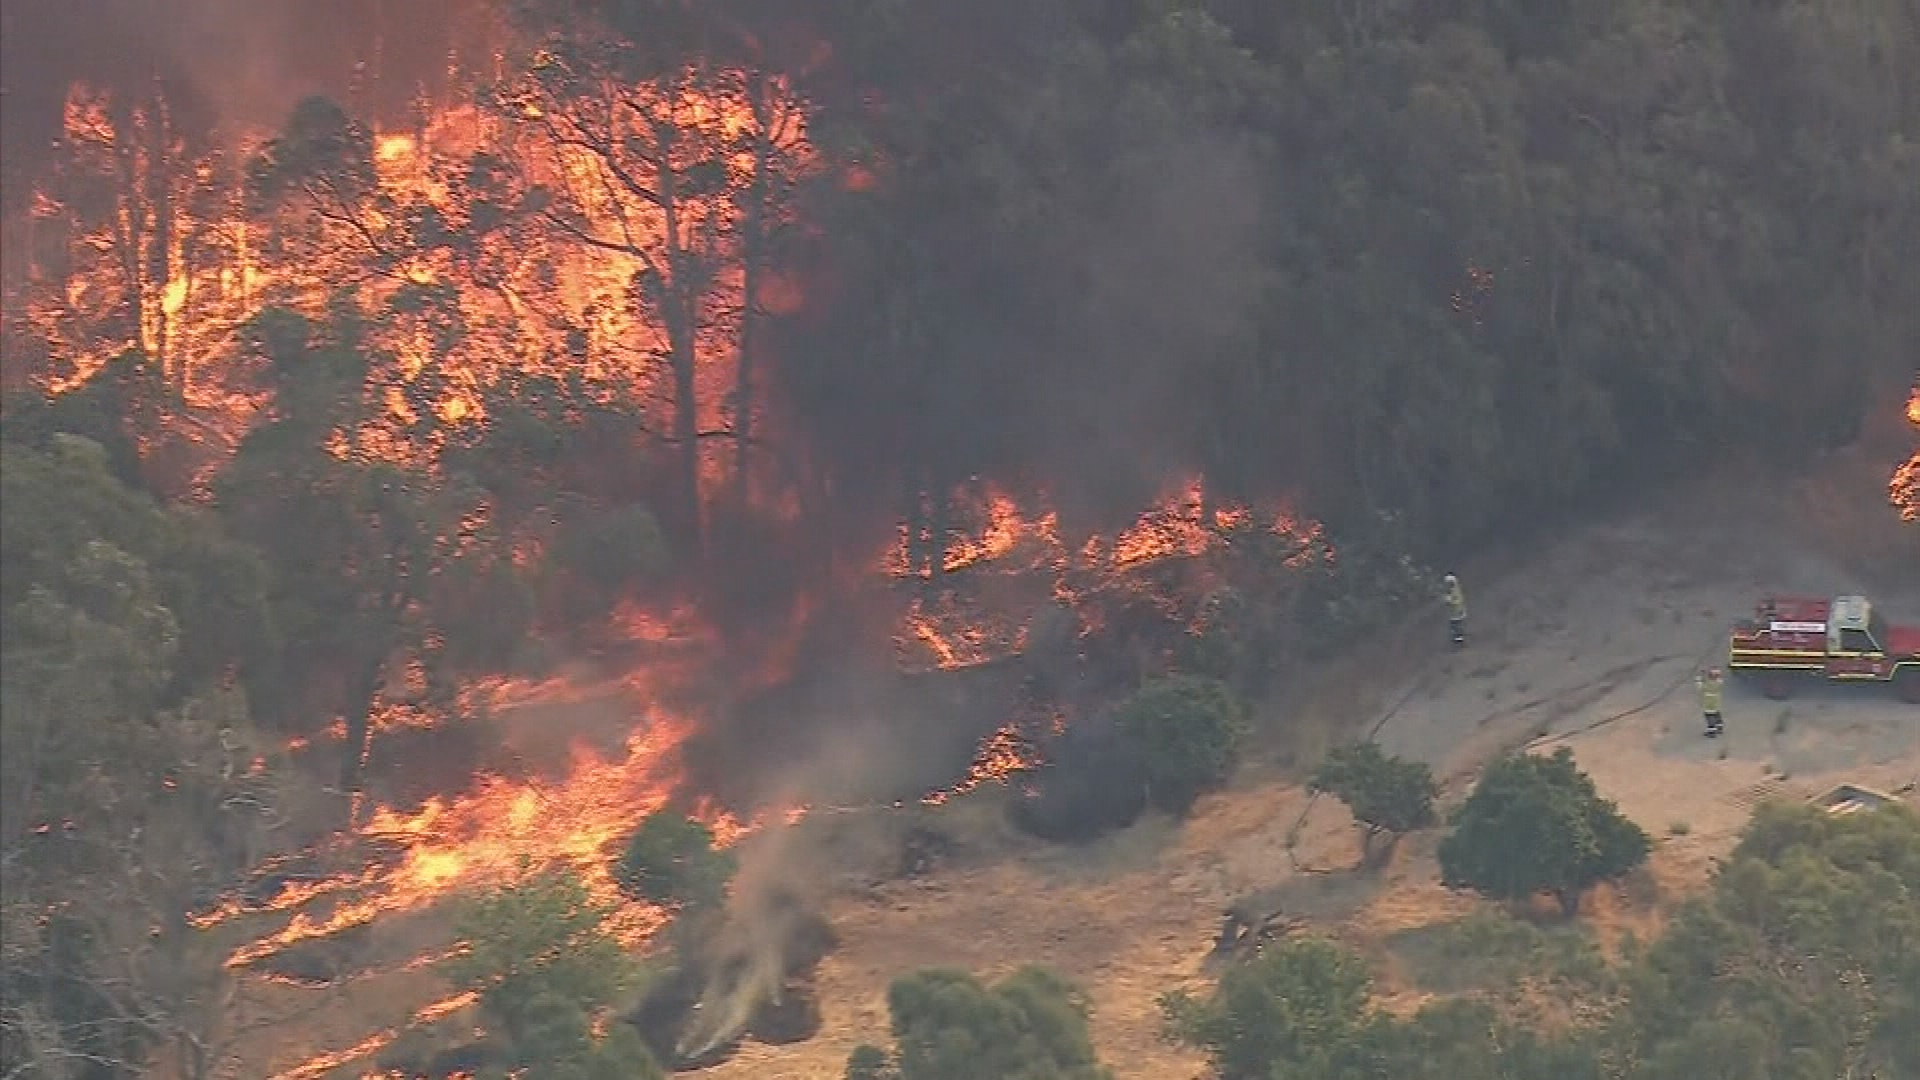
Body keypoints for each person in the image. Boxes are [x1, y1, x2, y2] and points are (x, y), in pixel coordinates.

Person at [1698, 667, 1725, 738]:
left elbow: (1700, 686)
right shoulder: (1719, 682)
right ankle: (1719, 727)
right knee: (1717, 713)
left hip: (1709, 703)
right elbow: (1716, 678)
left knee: (1709, 716)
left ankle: (1712, 731)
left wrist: (1700, 677)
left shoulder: (1708, 684)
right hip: (1716, 701)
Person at [1443, 573, 1467, 647]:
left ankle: (1459, 640)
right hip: (1454, 612)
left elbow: (1458, 600)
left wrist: (1450, 602)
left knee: (1456, 625)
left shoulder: (1455, 590)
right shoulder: (1452, 590)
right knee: (1455, 625)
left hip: (1457, 611)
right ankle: (1458, 639)